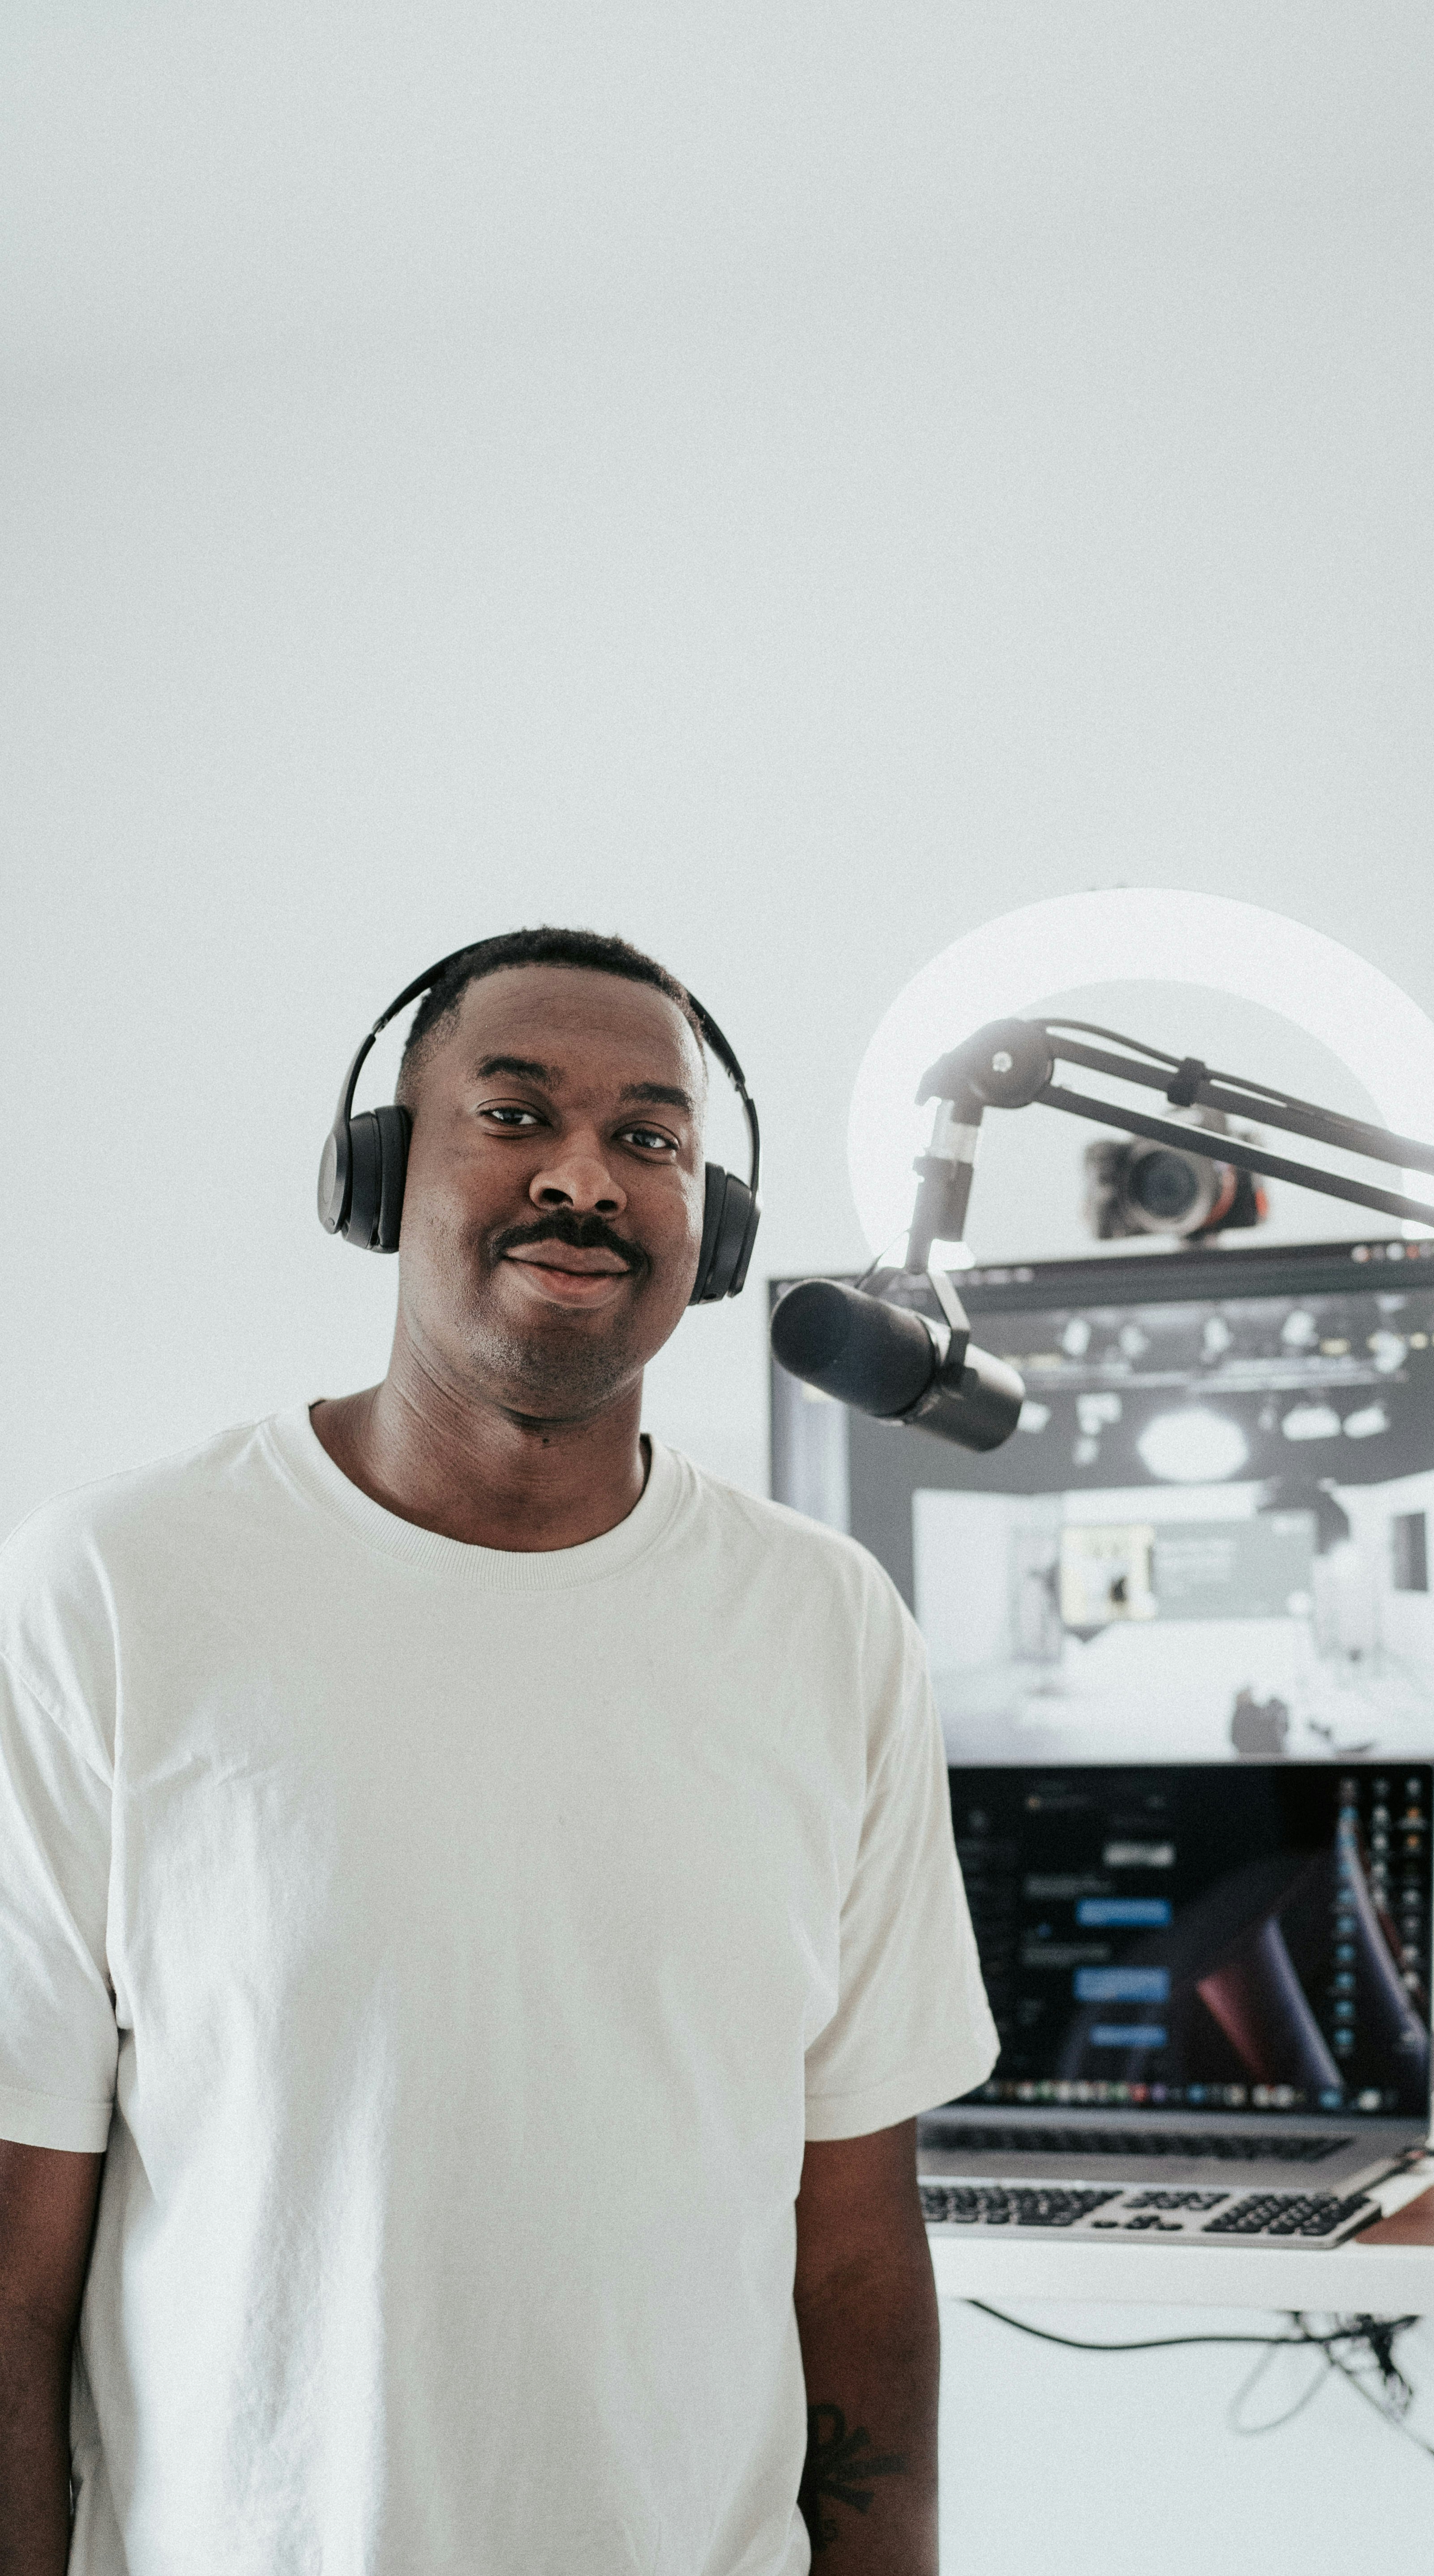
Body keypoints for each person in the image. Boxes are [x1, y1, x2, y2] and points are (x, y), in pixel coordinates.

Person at [0, 927, 997, 2576]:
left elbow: (854, 2252)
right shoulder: (106, 1591)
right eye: (515, 1115)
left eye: (649, 1139)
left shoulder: (830, 1628)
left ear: (714, 1228)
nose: (585, 1181)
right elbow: (15, 2255)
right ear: (380, 1176)